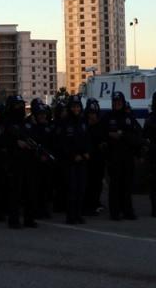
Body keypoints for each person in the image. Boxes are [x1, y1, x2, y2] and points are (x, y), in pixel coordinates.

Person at [105, 91, 141, 220]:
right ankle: (114, 212)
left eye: (119, 102)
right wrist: (110, 135)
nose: (117, 104)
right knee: (115, 186)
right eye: (115, 102)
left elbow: (138, 136)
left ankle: (127, 211)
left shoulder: (129, 117)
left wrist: (123, 135)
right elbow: (101, 134)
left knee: (127, 185)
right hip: (113, 157)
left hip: (127, 156)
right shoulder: (108, 118)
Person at [4, 95, 37, 229]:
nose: (20, 108)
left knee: (29, 191)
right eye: (17, 105)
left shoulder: (26, 123)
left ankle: (29, 219)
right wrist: (16, 143)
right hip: (14, 162)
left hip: (28, 161)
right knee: (15, 192)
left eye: (21, 105)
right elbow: (2, 141)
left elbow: (33, 138)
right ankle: (14, 220)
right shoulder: (7, 123)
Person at [59, 95, 90, 224]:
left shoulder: (83, 122)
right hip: (70, 161)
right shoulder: (65, 123)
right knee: (72, 189)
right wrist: (72, 155)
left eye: (78, 106)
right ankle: (71, 216)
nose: (76, 109)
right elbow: (63, 143)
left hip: (82, 160)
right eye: (74, 107)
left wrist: (87, 152)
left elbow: (87, 139)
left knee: (81, 189)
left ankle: (78, 214)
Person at [26, 99, 55, 219]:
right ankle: (36, 210)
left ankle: (45, 209)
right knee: (35, 188)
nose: (43, 116)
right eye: (40, 114)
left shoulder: (48, 127)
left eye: (44, 114)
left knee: (46, 187)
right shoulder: (32, 128)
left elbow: (52, 144)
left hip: (47, 162)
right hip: (35, 163)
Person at [82, 98, 106, 216]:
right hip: (88, 159)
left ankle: (95, 203)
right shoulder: (84, 125)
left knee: (97, 183)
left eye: (95, 113)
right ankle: (88, 205)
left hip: (98, 159)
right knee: (88, 183)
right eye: (91, 113)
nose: (93, 116)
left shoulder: (100, 125)